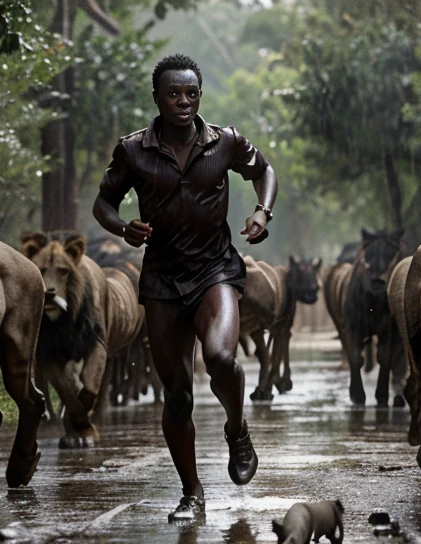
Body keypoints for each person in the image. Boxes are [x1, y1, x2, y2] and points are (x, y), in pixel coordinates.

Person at [92, 53, 278, 523]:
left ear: (200, 96)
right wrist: (122, 229)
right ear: (157, 98)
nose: (183, 101)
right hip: (161, 278)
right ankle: (191, 492)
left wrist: (262, 211)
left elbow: (265, 172)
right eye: (173, 93)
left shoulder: (226, 141)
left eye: (191, 93)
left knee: (220, 358)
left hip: (215, 269)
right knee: (177, 394)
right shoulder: (133, 150)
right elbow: (103, 203)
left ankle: (236, 430)